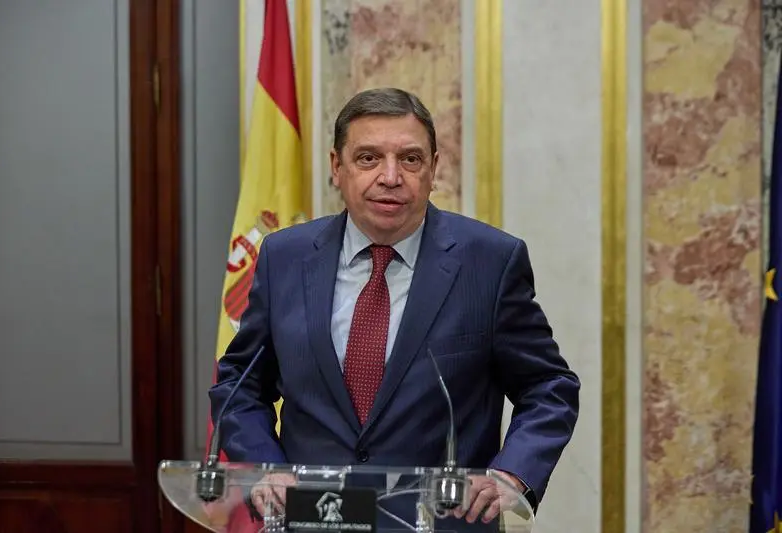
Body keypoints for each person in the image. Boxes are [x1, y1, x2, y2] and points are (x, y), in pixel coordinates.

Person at [209, 87, 580, 525]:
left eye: (410, 159)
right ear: (337, 167)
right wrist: (263, 465)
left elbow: (548, 387)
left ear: (433, 168)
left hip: (441, 521)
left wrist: (512, 473)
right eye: (368, 158)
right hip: (312, 518)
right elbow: (239, 384)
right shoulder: (284, 257)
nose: (390, 176)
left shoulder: (490, 262)